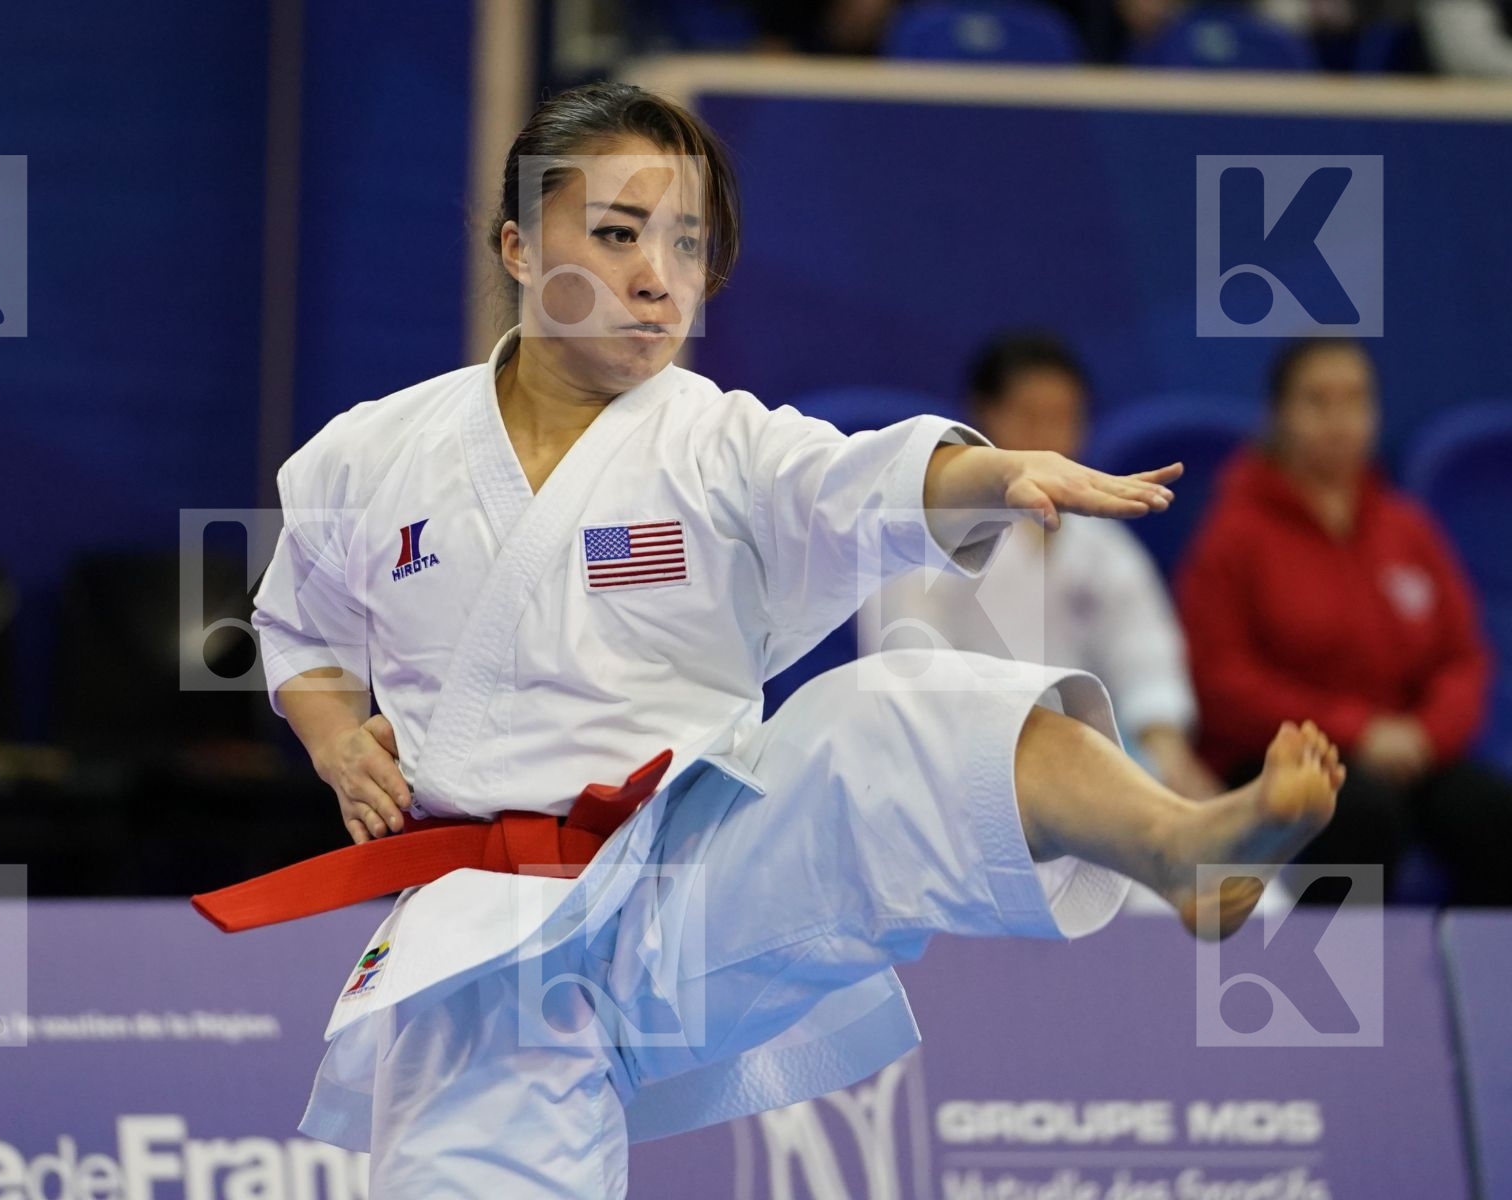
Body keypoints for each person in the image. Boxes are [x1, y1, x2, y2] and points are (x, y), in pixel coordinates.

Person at [217, 82, 1344, 1197]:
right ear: (518, 244)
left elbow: (857, 483)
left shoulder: (718, 443)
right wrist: (330, 736)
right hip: (485, 931)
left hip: (696, 877)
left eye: (689, 247)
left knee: (903, 710)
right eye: (616, 235)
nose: (657, 276)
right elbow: (299, 623)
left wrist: (994, 473)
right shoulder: (370, 456)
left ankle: (1178, 847)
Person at [1176, 338, 1509, 904]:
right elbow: (1223, 682)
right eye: (1317, 401)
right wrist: (1357, 731)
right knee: (1360, 812)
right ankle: (1334, 984)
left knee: (1493, 815)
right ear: (1278, 415)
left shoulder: (1406, 526)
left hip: (1408, 751)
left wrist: (1428, 735)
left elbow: (1464, 657)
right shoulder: (1234, 535)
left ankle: (1473, 984)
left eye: (1355, 401)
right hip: (1281, 758)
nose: (1339, 420)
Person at [867, 331, 1224, 805]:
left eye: (1063, 419)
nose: (1048, 439)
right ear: (983, 415)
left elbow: (1144, 656)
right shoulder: (923, 537)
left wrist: (1165, 749)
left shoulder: (1104, 547)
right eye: (1029, 418)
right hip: (957, 771)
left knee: (1227, 869)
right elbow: (909, 673)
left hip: (1089, 763)